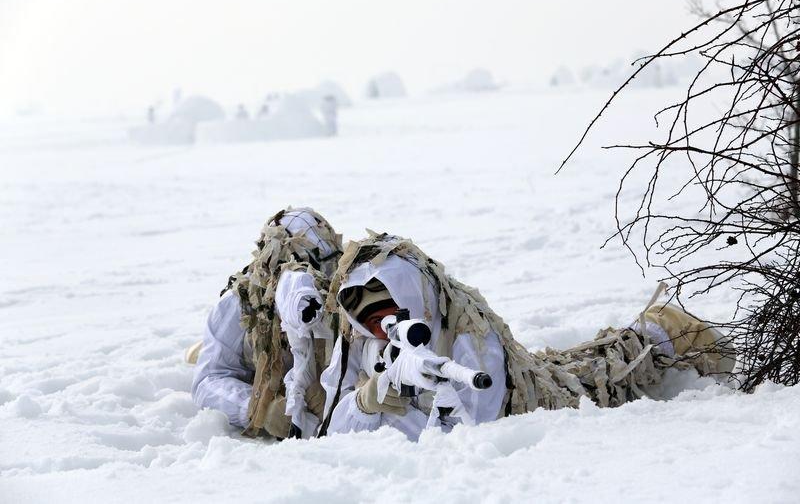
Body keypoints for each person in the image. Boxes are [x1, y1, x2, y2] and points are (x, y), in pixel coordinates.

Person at [319, 232, 736, 441]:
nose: (382, 328)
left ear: (416, 298)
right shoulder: (362, 340)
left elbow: (470, 429)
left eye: (391, 313)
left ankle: (663, 332)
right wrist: (365, 401)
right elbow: (331, 430)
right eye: (369, 320)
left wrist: (394, 415)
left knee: (600, 377)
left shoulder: (469, 334)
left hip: (529, 400)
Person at [190, 207, 343, 439]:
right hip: (256, 373)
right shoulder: (238, 306)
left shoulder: (344, 295)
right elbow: (208, 381)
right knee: (204, 355)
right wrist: (260, 408)